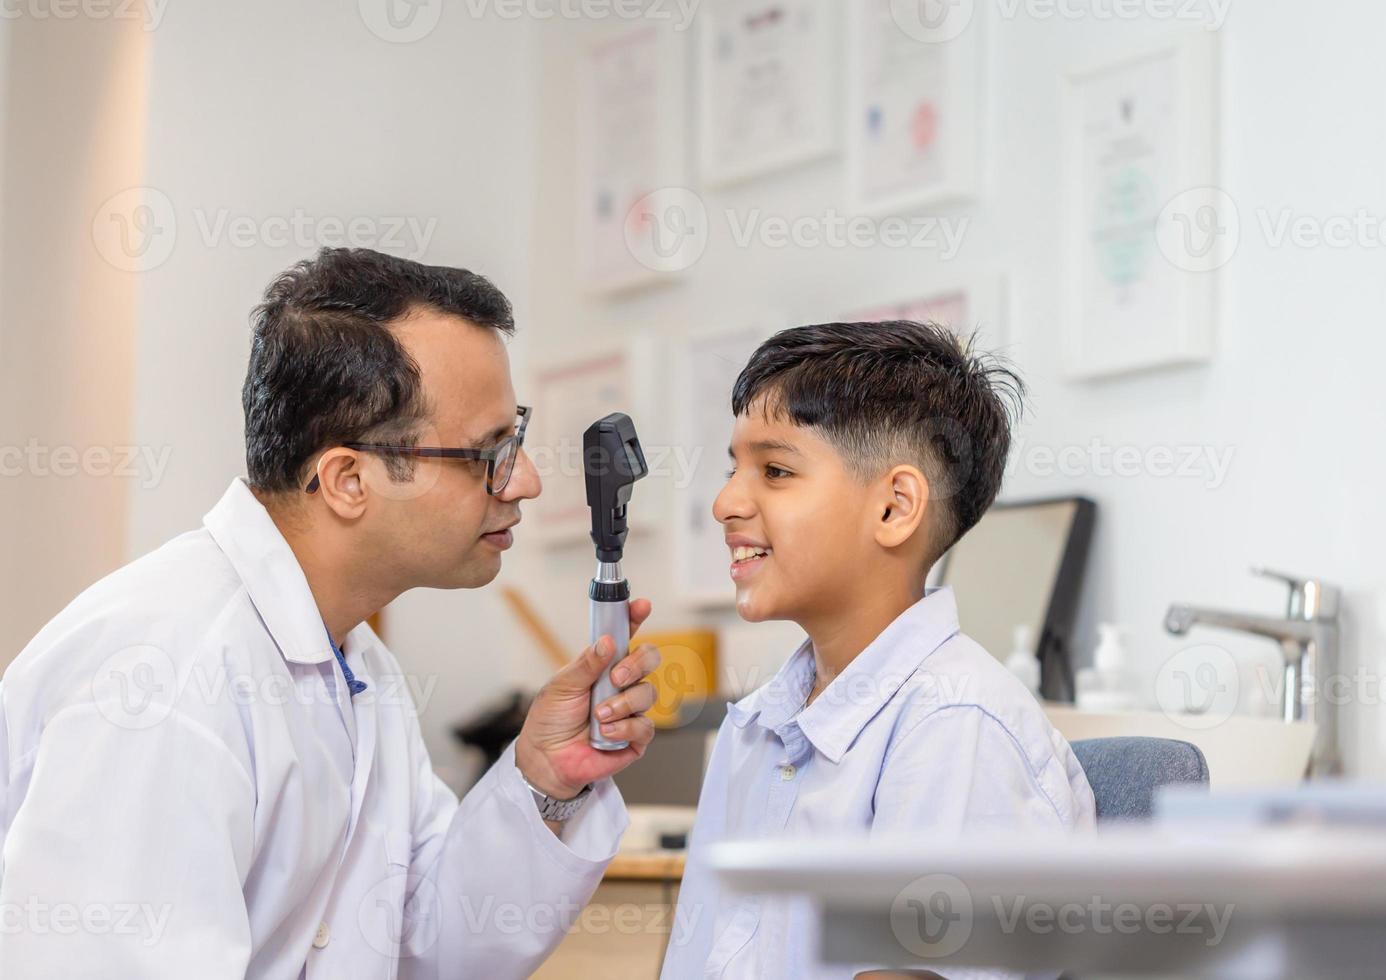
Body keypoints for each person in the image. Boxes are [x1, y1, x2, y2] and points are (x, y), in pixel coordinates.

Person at [0, 248, 661, 979]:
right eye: (488, 452)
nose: (526, 482)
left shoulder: (355, 663)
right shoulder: (163, 679)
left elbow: (425, 944)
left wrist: (544, 778)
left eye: (519, 439)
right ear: (348, 478)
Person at [661, 321, 1096, 980]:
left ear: (894, 509)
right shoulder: (753, 729)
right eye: (734, 469)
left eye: (775, 471)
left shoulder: (954, 725)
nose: (725, 503)